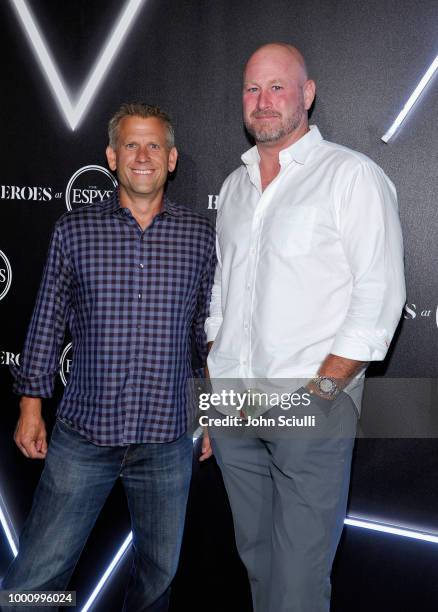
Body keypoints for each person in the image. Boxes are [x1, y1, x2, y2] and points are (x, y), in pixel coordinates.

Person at [201, 43, 405, 612]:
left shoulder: (351, 176)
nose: (263, 102)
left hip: (308, 403)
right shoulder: (235, 188)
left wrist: (318, 395)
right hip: (234, 409)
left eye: (277, 87)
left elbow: (379, 295)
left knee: (297, 584)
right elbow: (222, 294)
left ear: (307, 94)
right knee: (259, 563)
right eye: (251, 89)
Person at [2, 103, 216, 611]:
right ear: (112, 156)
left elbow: (206, 334)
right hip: (84, 435)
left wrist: (209, 412)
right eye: (131, 145)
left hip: (167, 439)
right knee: (36, 577)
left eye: (154, 146)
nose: (142, 155)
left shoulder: (201, 237)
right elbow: (46, 320)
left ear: (172, 159)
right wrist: (30, 405)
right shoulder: (74, 231)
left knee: (157, 581)